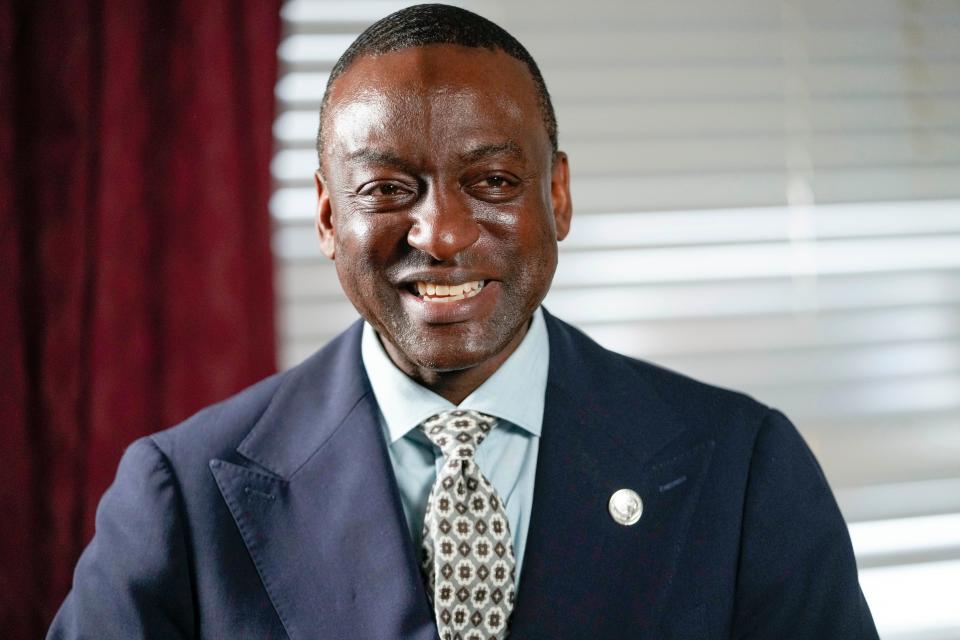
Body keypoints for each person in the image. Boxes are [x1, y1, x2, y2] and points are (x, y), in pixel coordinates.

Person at [48, 4, 879, 639]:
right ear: (330, 217)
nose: (441, 234)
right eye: (386, 190)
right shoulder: (181, 497)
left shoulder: (741, 471)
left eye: (491, 182)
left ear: (556, 196)